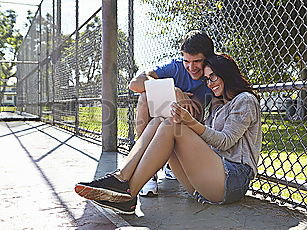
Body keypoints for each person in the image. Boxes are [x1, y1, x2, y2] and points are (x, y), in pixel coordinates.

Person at [74, 54, 262, 215]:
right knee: (159, 121)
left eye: (213, 77)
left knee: (173, 125)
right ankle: (121, 178)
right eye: (207, 79)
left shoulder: (245, 100)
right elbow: (208, 141)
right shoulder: (219, 104)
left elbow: (225, 142)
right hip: (205, 183)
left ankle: (128, 194)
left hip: (232, 180)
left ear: (226, 75)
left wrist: (190, 122)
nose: (209, 84)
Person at [128, 30, 215, 196]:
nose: (191, 67)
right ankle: (149, 173)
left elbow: (195, 107)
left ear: (208, 59)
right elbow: (135, 84)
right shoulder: (176, 67)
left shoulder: (212, 74)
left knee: (186, 108)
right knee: (145, 97)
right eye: (187, 61)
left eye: (197, 61)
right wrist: (173, 90)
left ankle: (171, 162)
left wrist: (181, 99)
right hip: (164, 117)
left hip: (191, 124)